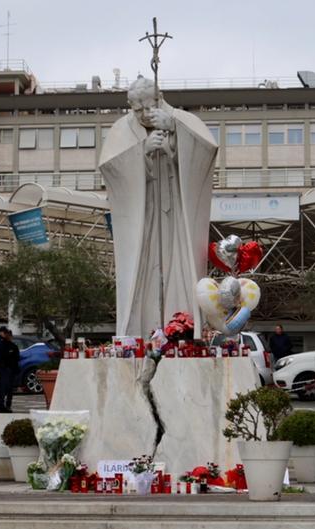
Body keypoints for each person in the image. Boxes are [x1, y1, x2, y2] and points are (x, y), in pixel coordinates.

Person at [99, 77, 218, 338]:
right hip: (145, 211)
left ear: (159, 97)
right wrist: (141, 151)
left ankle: (184, 328)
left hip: (178, 209)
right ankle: (141, 330)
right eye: (137, 110)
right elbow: (109, 167)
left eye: (148, 108)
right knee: (144, 264)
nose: (142, 115)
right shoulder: (123, 129)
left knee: (181, 262)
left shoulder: (182, 119)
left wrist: (175, 131)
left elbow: (207, 150)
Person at [0, 326, 21, 413]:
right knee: (3, 388)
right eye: (5, 333)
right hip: (4, 368)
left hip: (7, 368)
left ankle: (2, 405)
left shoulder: (10, 345)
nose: (6, 335)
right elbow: (0, 355)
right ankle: (0, 406)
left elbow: (16, 358)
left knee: (6, 388)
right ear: (2, 332)